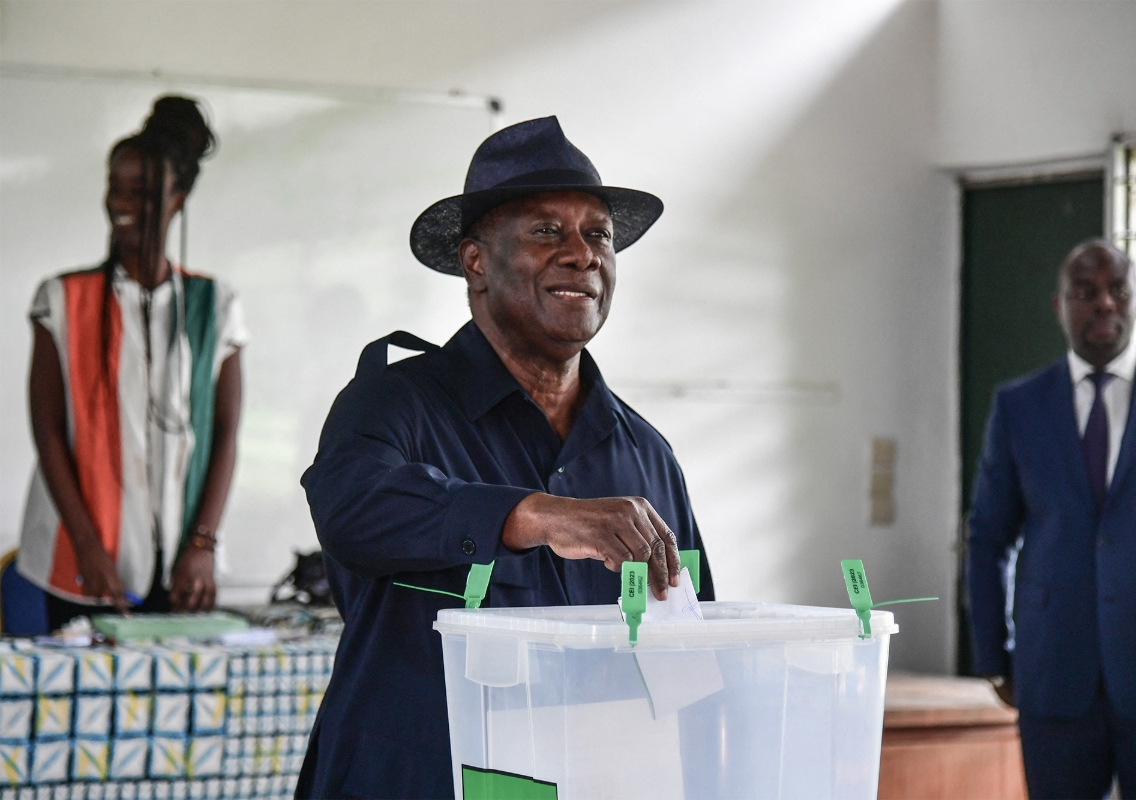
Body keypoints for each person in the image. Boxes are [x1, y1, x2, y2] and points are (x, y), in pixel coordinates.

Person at [298, 116, 714, 798]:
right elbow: (350, 507)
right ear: (476, 262)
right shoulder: (393, 404)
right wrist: (533, 516)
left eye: (598, 234)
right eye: (547, 231)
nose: (582, 253)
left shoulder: (646, 456)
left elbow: (690, 669)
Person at [968, 238, 1136, 799]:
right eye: (1085, 292)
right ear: (1059, 305)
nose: (1104, 305)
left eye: (1117, 290)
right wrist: (993, 656)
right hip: (1051, 673)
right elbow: (987, 538)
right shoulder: (1019, 406)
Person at [19, 96, 248, 631]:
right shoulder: (61, 299)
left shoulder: (216, 304)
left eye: (141, 192)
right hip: (79, 561)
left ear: (178, 199)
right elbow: (48, 433)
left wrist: (202, 544)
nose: (122, 204)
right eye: (115, 188)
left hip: (183, 565)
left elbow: (227, 432)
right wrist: (86, 550)